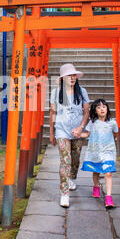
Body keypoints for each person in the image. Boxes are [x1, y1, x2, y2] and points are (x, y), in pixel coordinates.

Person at [49, 63, 90, 208]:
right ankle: (64, 194)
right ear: (62, 78)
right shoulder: (56, 93)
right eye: (69, 75)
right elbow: (53, 113)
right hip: (62, 130)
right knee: (65, 161)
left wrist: (80, 128)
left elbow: (86, 112)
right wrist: (52, 133)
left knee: (75, 159)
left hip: (77, 130)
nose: (72, 78)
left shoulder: (82, 92)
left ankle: (72, 178)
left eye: (74, 75)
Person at [80, 98, 118, 209]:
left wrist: (110, 142)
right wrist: (77, 134)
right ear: (95, 110)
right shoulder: (92, 123)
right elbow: (87, 134)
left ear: (107, 109)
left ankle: (108, 197)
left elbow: (115, 134)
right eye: (99, 107)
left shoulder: (112, 122)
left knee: (108, 173)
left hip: (108, 152)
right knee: (96, 171)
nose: (102, 109)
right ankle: (96, 186)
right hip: (95, 152)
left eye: (104, 107)